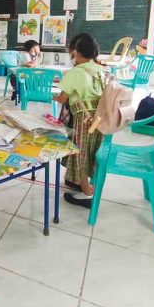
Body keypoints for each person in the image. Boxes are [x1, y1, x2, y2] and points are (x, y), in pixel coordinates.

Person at [52, 33, 104, 209]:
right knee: (92, 152)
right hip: (99, 118)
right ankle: (83, 184)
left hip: (83, 119)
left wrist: (55, 97)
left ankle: (87, 195)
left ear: (75, 51)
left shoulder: (75, 72)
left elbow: (63, 98)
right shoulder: (99, 68)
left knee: (80, 153)